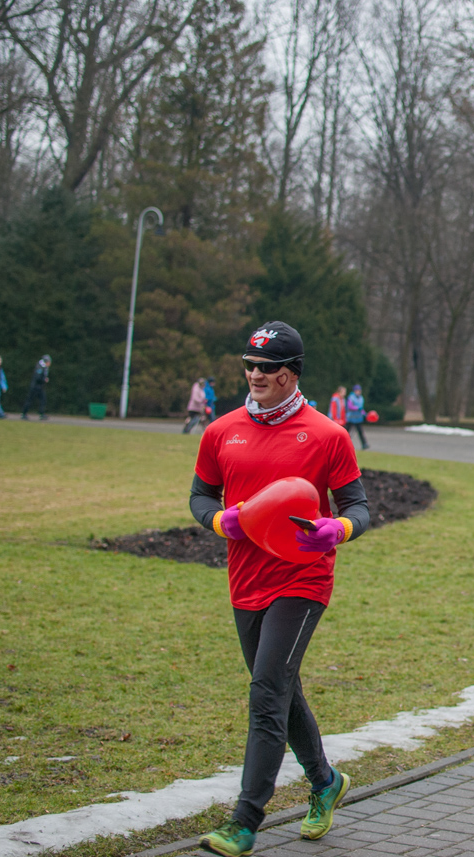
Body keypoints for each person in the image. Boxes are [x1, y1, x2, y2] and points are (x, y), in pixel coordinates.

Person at [190, 322, 370, 857]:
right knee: (280, 690)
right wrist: (219, 521)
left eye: (266, 368)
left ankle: (245, 822)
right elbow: (201, 495)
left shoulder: (327, 434)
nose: (255, 374)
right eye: (249, 365)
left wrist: (339, 528)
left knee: (267, 691)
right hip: (245, 580)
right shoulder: (221, 431)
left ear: (291, 374)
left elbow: (357, 505)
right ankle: (325, 781)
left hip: (302, 578)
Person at [21, 355, 50, 420]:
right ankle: (24, 413)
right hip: (35, 387)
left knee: (43, 400)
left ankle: (42, 414)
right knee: (30, 400)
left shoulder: (44, 367)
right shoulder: (40, 367)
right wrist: (44, 379)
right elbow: (37, 377)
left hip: (40, 387)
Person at [346, 384, 368, 449]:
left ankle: (364, 444)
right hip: (351, 418)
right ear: (354, 391)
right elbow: (350, 407)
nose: (359, 392)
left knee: (360, 432)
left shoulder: (361, 398)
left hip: (358, 418)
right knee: (347, 433)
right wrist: (357, 408)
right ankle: (345, 444)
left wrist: (365, 414)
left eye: (359, 390)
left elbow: (362, 408)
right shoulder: (351, 397)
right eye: (357, 390)